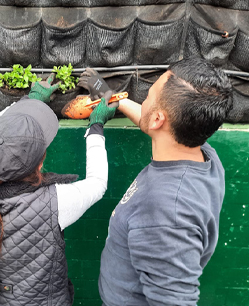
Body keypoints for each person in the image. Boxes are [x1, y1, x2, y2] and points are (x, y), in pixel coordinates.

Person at [78, 57, 233, 306]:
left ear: (159, 119)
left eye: (149, 95)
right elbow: (154, 123)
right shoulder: (202, 153)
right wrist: (112, 97)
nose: (145, 100)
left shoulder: (167, 214)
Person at [0, 74, 117, 306]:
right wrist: (96, 127)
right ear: (40, 164)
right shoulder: (55, 202)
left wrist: (30, 100)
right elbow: (98, 183)